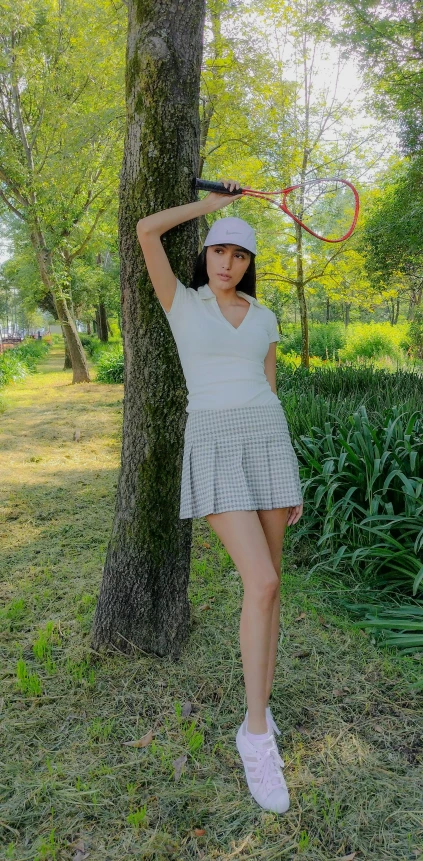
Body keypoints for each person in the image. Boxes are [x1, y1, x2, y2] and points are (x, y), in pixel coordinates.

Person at [136, 179, 304, 815]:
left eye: (239, 255)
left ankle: (258, 708)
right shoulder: (184, 303)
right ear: (205, 256)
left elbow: (271, 393)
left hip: (267, 446)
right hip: (213, 448)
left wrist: (291, 477)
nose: (228, 263)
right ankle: (255, 737)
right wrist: (213, 209)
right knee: (258, 583)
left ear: (251, 264)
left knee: (271, 588)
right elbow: (147, 231)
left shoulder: (265, 318)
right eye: (218, 251)